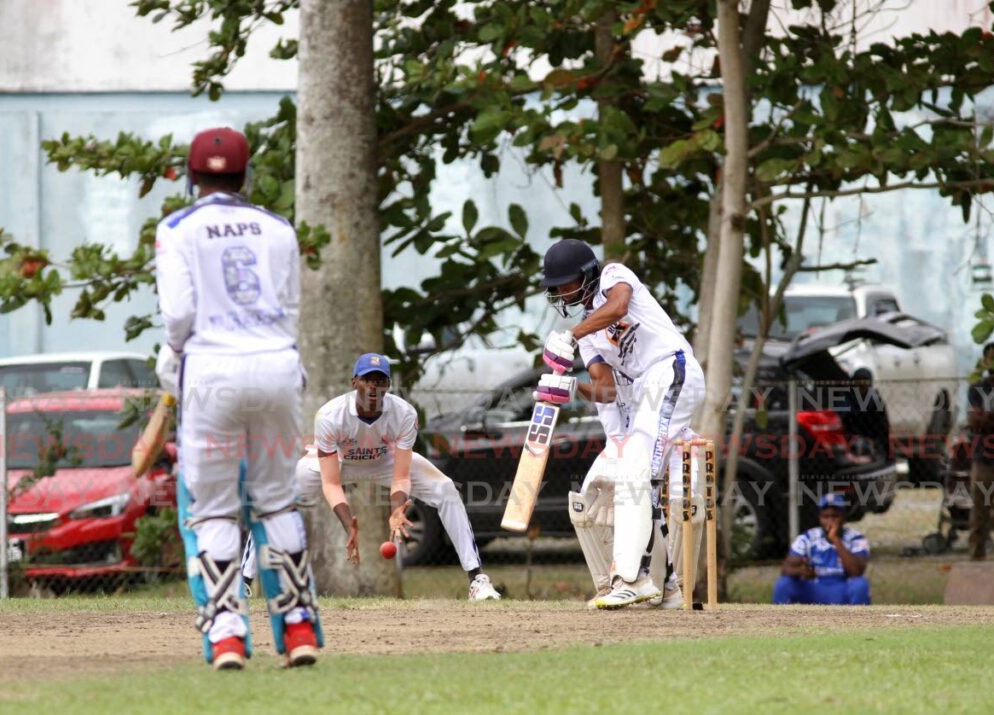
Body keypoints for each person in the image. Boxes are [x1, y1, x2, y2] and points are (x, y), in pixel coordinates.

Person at [155, 126, 320, 671]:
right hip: (276, 365)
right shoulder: (278, 228)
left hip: (211, 372)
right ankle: (297, 629)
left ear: (190, 175)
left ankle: (227, 635)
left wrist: (177, 360)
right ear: (246, 175)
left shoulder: (177, 228)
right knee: (275, 501)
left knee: (214, 508)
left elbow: (178, 315)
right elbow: (293, 308)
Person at [245, 353, 501, 601]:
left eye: (380, 381)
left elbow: (400, 477)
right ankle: (244, 582)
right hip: (340, 461)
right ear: (354, 382)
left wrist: (397, 511)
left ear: (388, 385)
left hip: (383, 460)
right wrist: (348, 526)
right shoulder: (330, 416)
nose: (373, 386)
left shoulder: (405, 414)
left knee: (445, 489)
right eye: (367, 379)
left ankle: (477, 580)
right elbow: (331, 483)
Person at [537, 238, 706, 609]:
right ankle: (667, 588)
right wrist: (569, 385)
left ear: (585, 274)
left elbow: (618, 307)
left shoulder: (614, 275)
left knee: (636, 468)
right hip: (645, 392)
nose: (561, 293)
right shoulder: (589, 337)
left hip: (670, 369)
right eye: (556, 287)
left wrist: (571, 334)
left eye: (565, 283)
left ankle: (633, 578)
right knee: (613, 488)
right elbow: (606, 390)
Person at [568, 370, 683, 610]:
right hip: (620, 443)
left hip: (658, 440)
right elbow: (611, 418)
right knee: (583, 506)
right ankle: (610, 586)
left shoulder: (647, 360)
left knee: (645, 504)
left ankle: (666, 585)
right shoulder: (599, 362)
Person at [772, 493, 871, 605]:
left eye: (835, 516)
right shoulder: (807, 537)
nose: (830, 521)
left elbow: (856, 572)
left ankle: (858, 621)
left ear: (844, 517)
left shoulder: (856, 538)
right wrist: (802, 571)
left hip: (843, 589)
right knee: (783, 584)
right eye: (826, 517)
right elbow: (785, 569)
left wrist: (835, 540)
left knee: (860, 585)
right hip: (815, 589)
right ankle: (779, 621)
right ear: (819, 518)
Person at [967, 342, 994, 561]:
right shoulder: (977, 388)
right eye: (992, 358)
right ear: (985, 361)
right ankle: (976, 560)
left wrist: (988, 418)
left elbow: (982, 419)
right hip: (985, 458)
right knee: (980, 512)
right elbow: (975, 421)